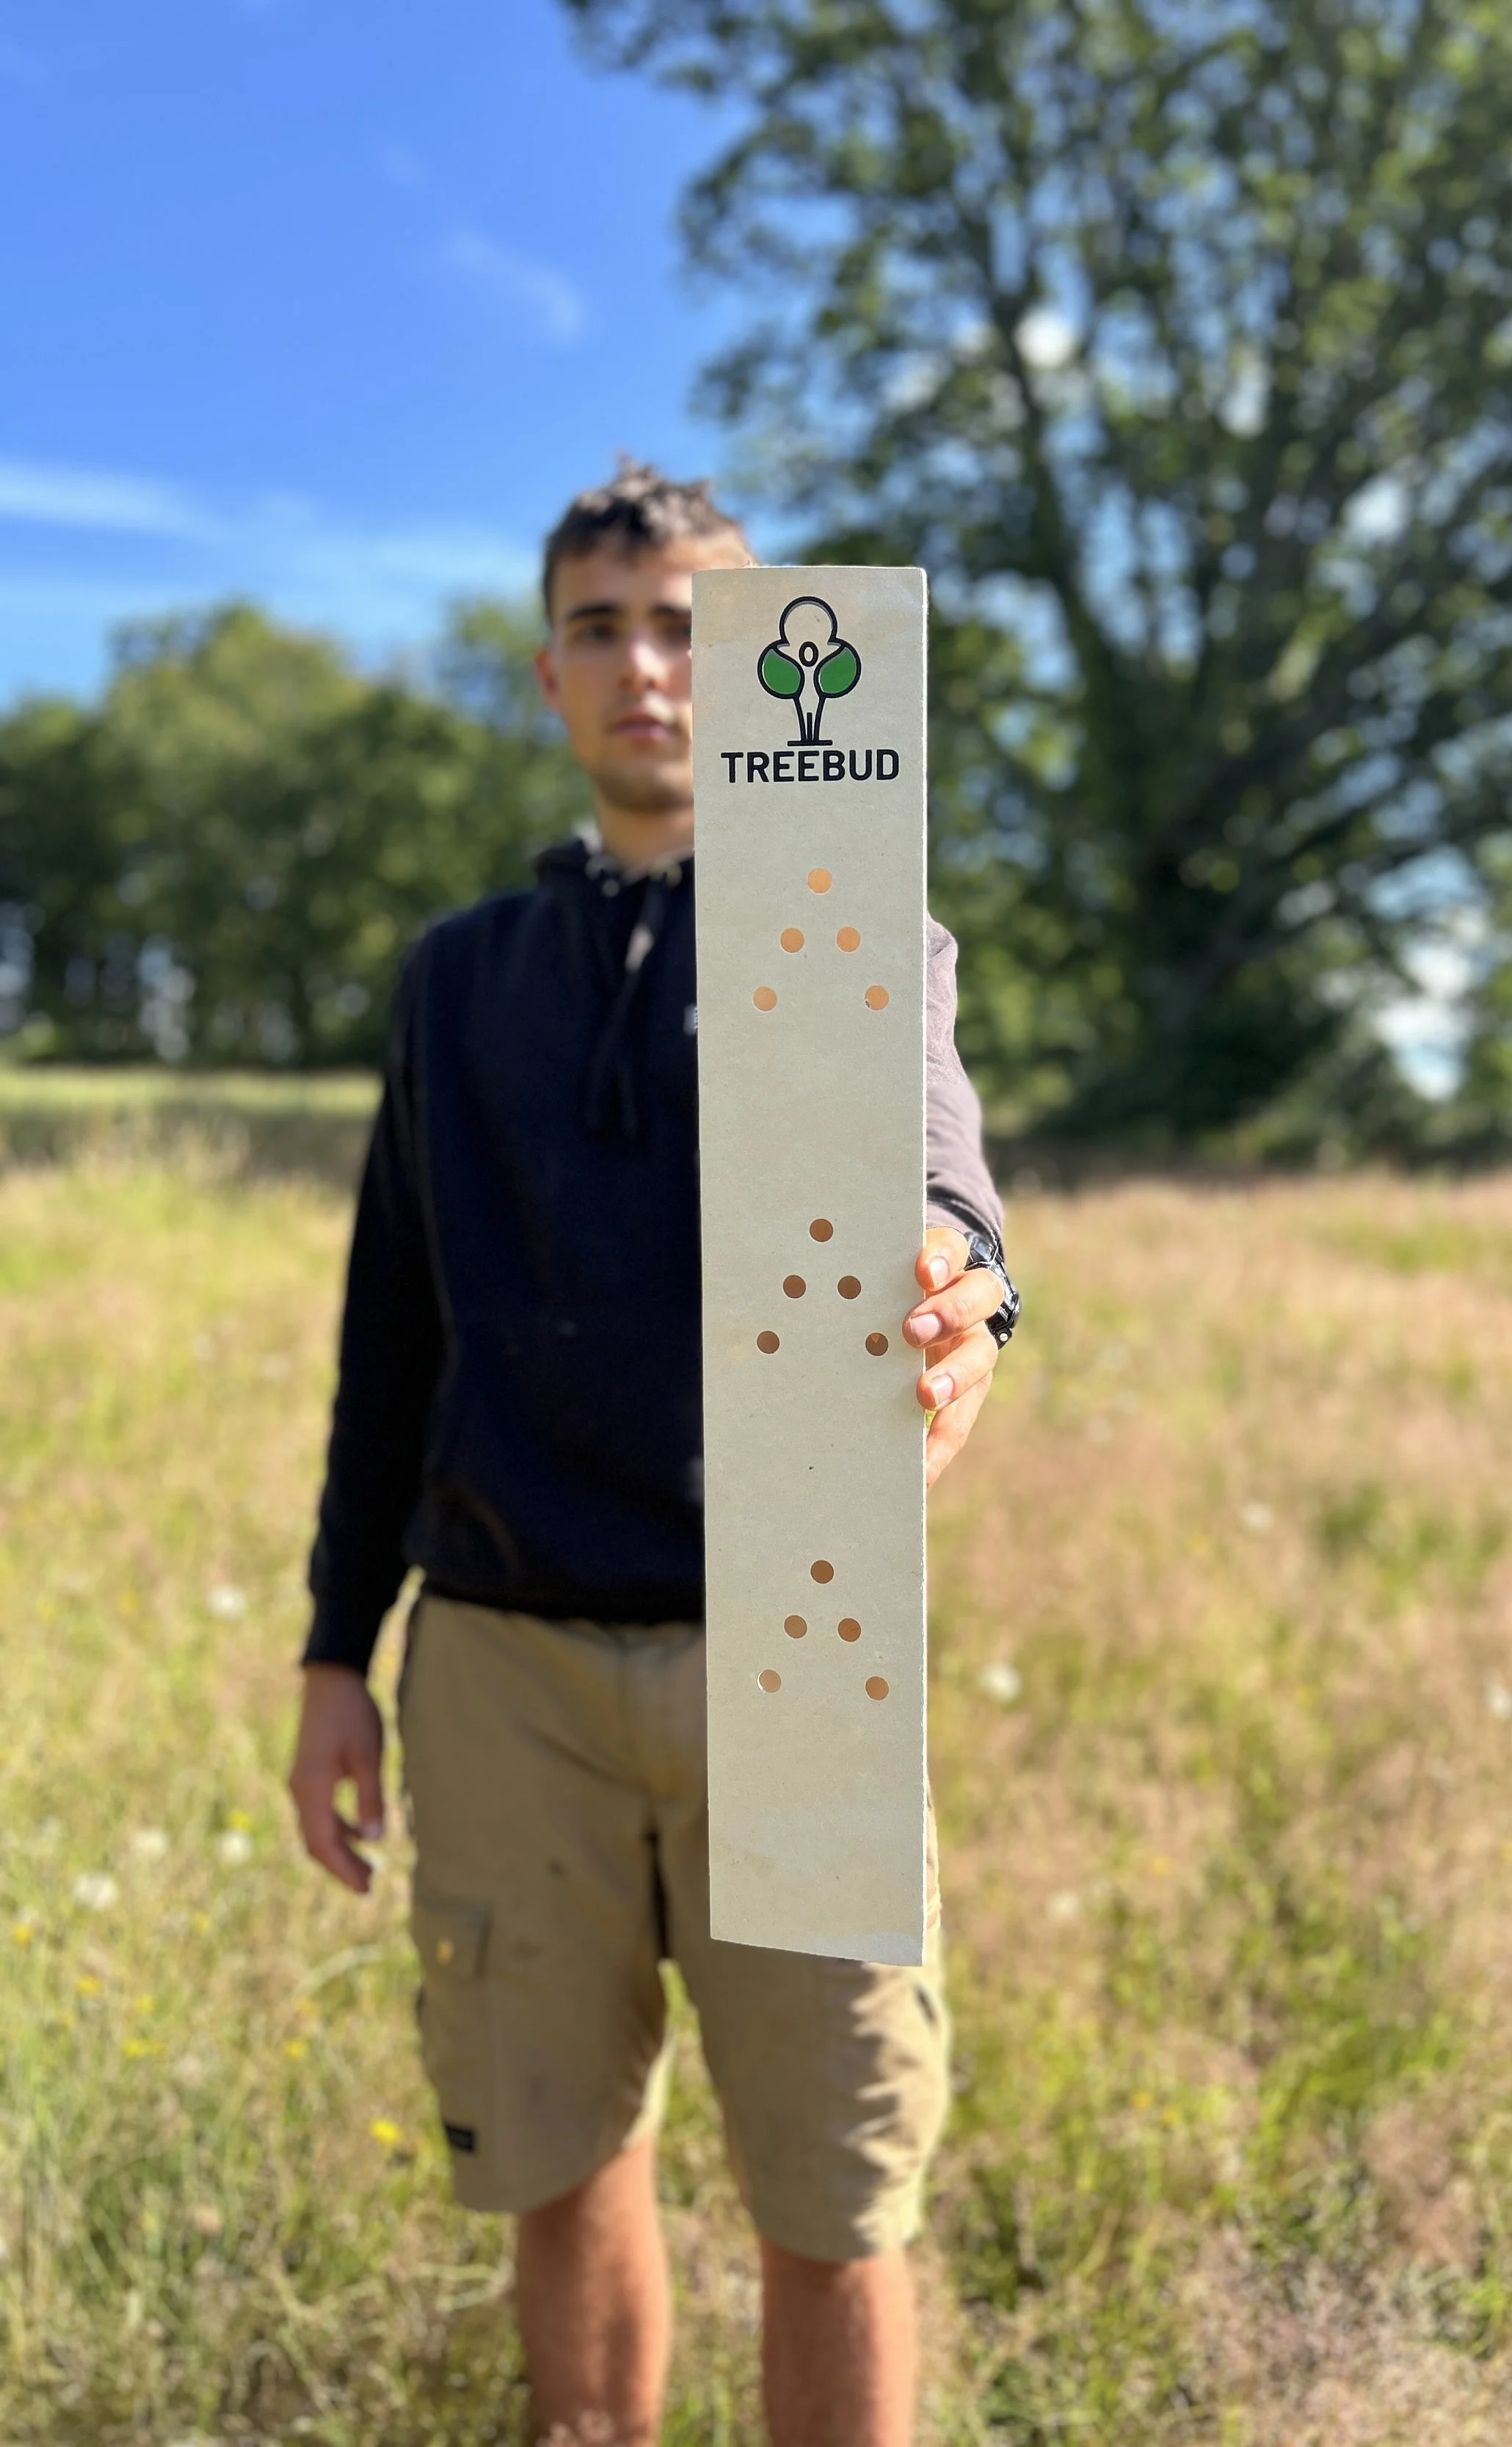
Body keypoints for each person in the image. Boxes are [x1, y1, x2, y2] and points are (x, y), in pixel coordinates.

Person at [286, 462, 1017, 2447]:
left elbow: (931, 1157)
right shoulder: (459, 977)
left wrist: (958, 1273)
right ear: (548, 673)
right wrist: (338, 1647)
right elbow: (392, 1328)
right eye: (600, 629)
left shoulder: (843, 921)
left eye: (690, 626)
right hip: (503, 1657)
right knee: (556, 2153)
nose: (647, 668)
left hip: (797, 1636)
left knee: (833, 2194)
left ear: (767, 666)